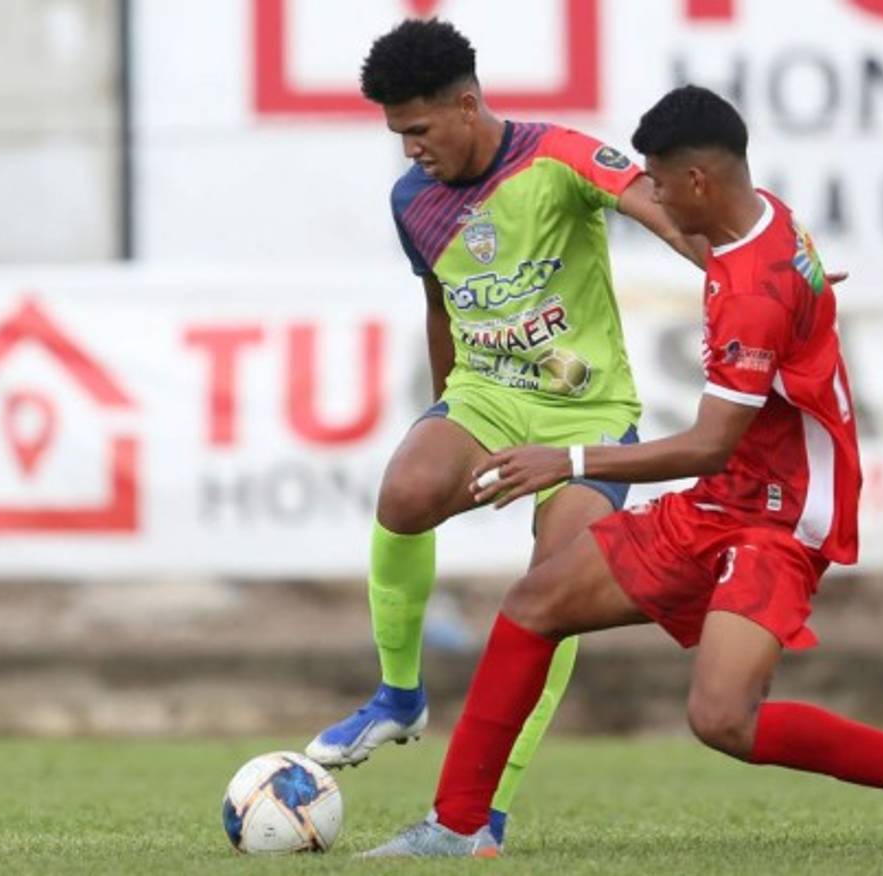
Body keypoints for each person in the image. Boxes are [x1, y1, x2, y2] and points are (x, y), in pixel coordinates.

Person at [362, 85, 883, 860]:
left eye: (663, 184)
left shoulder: (752, 293)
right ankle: (459, 824)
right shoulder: (760, 220)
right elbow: (748, 301)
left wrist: (566, 461)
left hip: (780, 516)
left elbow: (709, 441)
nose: (655, 199)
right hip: (724, 498)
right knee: (535, 602)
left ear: (700, 181)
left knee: (722, 720)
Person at [304, 18, 711, 846]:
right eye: (396, 134)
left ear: (465, 104)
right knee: (405, 491)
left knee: (553, 591)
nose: (409, 150)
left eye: (418, 130)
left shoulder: (556, 157)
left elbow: (657, 211)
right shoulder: (411, 200)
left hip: (588, 412)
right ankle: (398, 697)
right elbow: (437, 302)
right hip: (486, 393)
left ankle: (484, 813)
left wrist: (740, 266)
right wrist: (444, 406)